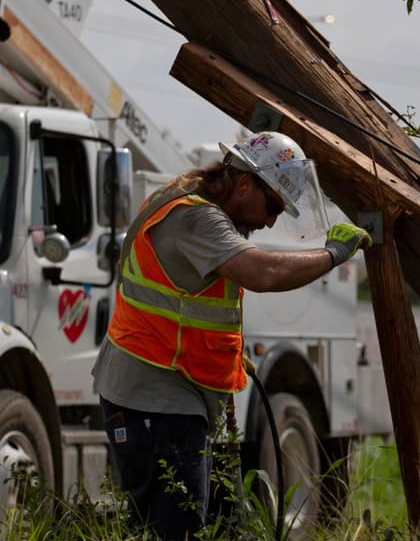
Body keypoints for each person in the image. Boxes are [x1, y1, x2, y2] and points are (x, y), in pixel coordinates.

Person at [91, 130, 370, 540]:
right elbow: (263, 272)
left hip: (163, 391)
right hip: (156, 396)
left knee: (210, 525)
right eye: (273, 205)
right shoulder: (196, 216)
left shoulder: (186, 197)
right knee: (178, 530)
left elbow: (185, 300)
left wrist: (225, 353)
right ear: (243, 183)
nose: (272, 220)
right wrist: (333, 255)